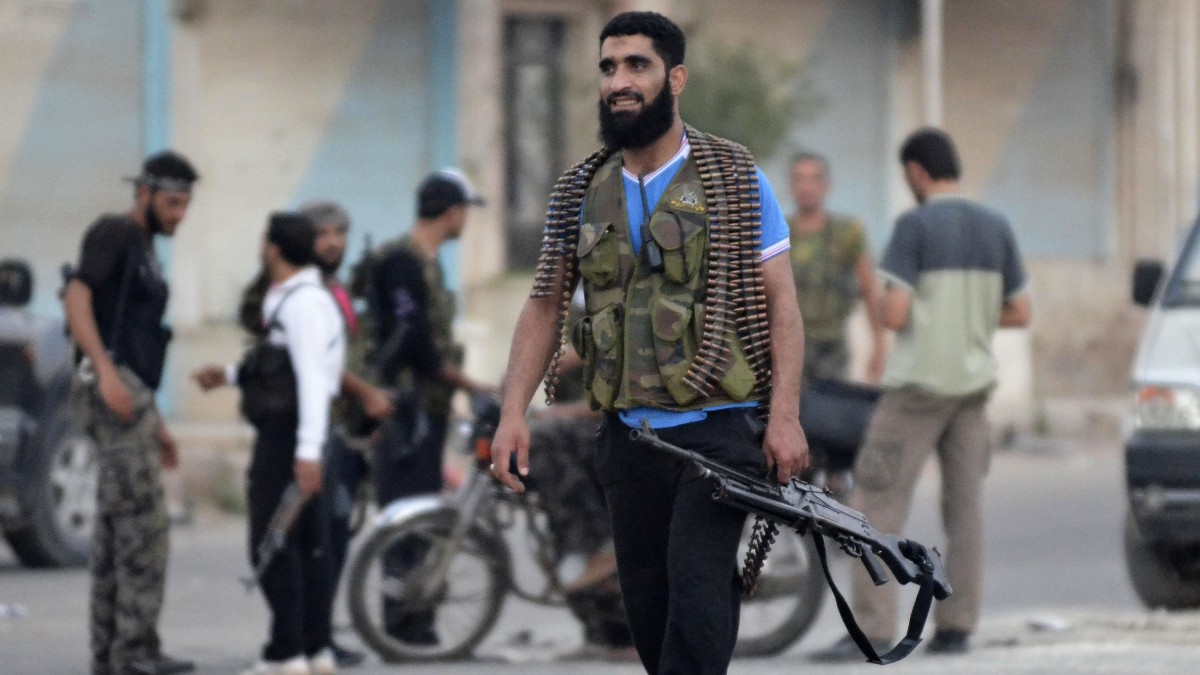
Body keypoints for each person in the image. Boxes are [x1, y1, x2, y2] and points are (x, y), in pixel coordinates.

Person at [489, 11, 809, 674]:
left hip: (714, 435)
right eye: (609, 67)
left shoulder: (735, 178)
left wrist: (783, 417)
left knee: (697, 612)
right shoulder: (579, 190)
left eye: (637, 65)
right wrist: (512, 411)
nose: (619, 82)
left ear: (676, 78)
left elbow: (782, 301)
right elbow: (545, 301)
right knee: (652, 617)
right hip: (627, 441)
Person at [811, 128, 1032, 661]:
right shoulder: (995, 225)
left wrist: (920, 316)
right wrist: (967, 321)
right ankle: (956, 628)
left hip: (916, 391)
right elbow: (1020, 312)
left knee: (875, 502)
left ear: (915, 171)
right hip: (972, 392)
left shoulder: (914, 225)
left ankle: (874, 627)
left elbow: (895, 313)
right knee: (965, 509)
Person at [62, 150, 198, 675]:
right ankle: (135, 652)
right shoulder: (114, 233)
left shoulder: (145, 246)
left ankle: (113, 653)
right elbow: (78, 297)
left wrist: (158, 425)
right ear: (143, 193)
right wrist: (106, 370)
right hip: (111, 388)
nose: (179, 214)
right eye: (171, 202)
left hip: (131, 396)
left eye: (186, 204)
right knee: (144, 527)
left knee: (118, 528)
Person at [193, 213, 346, 675]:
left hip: (291, 438)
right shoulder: (299, 298)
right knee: (303, 544)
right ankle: (314, 648)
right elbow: (287, 365)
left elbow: (315, 380)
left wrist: (306, 452)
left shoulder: (304, 303)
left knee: (272, 540)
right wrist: (234, 375)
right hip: (298, 435)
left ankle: (287, 651)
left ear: (274, 248)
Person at [365, 169, 492, 644]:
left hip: (426, 409)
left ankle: (416, 621)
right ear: (453, 212)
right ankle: (402, 624)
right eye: (465, 213)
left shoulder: (426, 262)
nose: (466, 222)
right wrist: (471, 384)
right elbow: (414, 342)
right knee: (404, 515)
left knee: (421, 513)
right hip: (405, 411)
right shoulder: (402, 262)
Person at [788, 151, 886, 383]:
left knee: (829, 415)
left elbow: (870, 288)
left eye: (815, 179)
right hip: (786, 345)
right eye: (800, 179)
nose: (807, 186)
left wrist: (879, 347)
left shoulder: (847, 233)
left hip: (832, 347)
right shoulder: (778, 233)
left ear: (827, 185)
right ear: (791, 186)